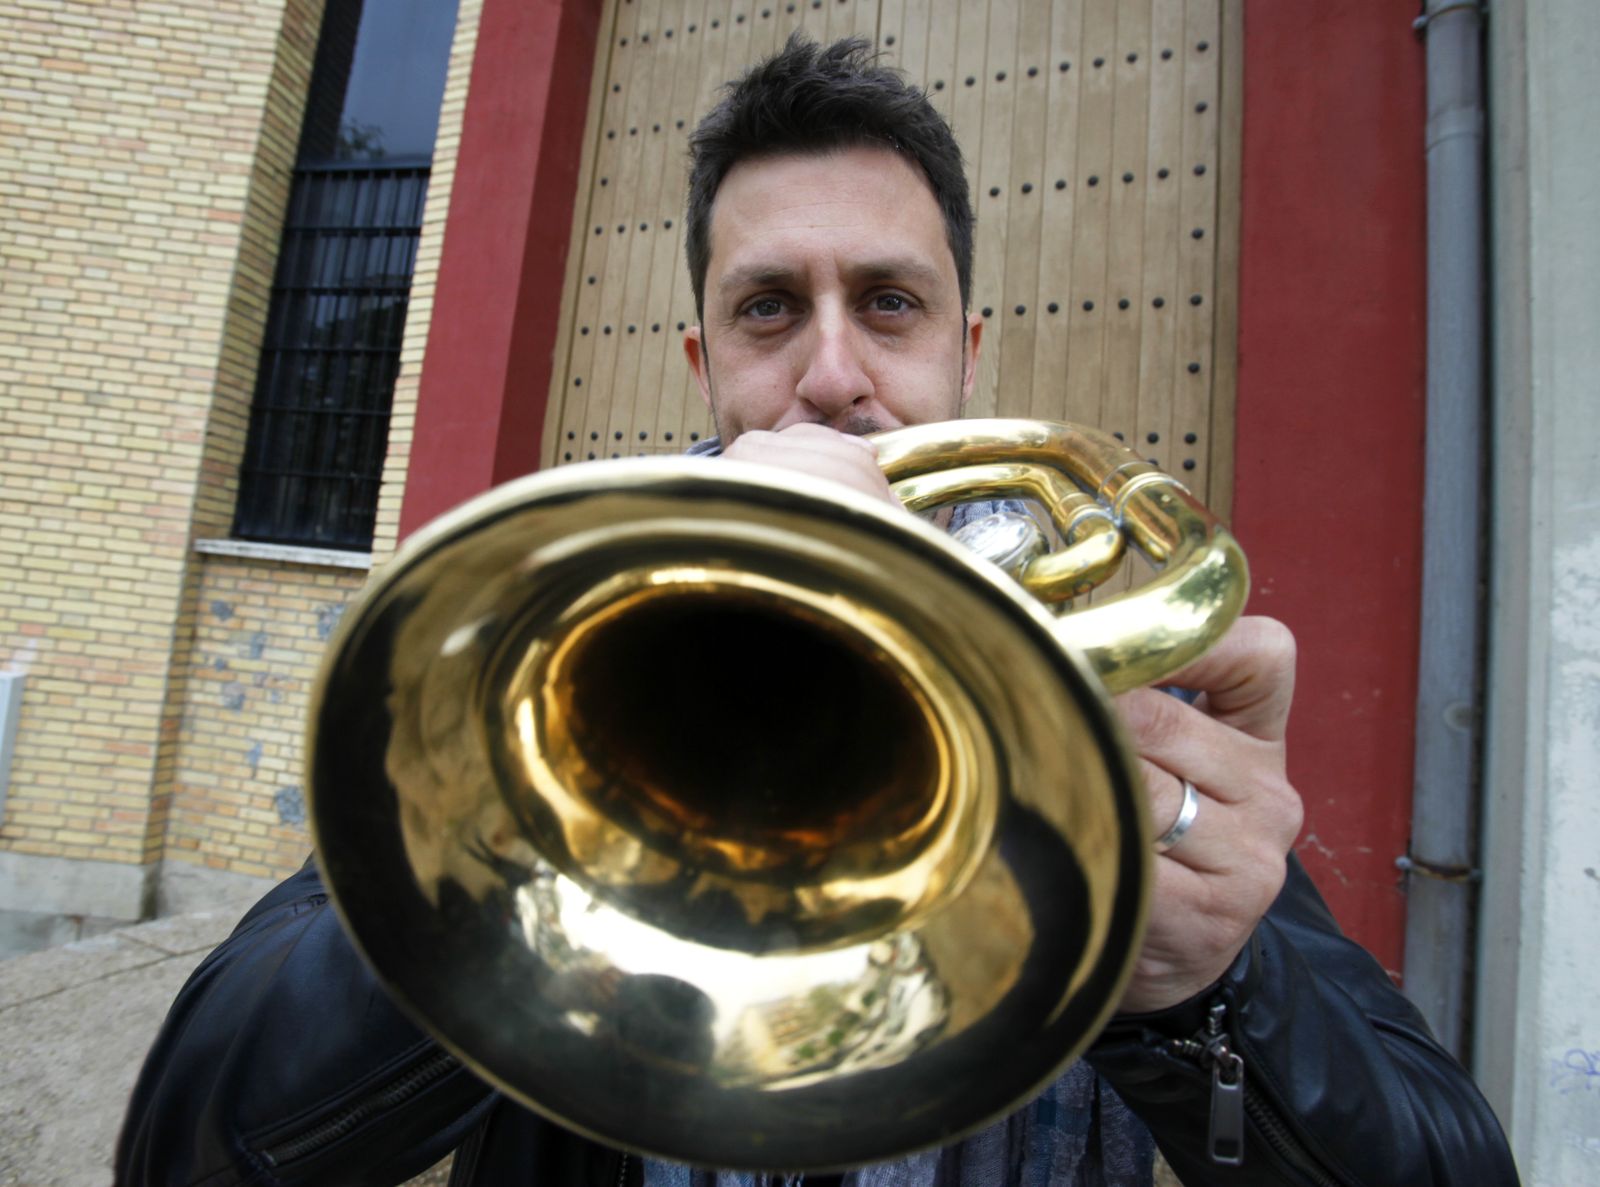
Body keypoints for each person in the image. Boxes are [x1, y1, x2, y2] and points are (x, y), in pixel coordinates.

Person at [116, 35, 1518, 1187]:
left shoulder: (1105, 711)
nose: (835, 374)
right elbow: (193, 1146)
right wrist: (507, 891)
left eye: (891, 305)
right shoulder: (547, 668)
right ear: (703, 361)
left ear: (971, 356)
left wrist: (1214, 996)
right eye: (772, 309)